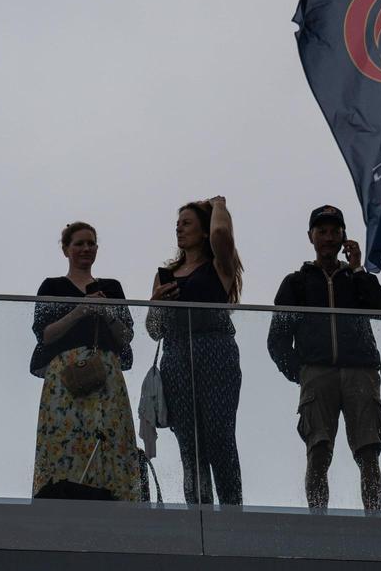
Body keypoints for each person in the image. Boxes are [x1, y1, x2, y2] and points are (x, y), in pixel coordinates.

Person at [268, 205, 381, 511]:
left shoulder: (354, 278)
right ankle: (318, 520)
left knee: (368, 450)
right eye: (321, 231)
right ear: (310, 236)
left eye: (334, 231)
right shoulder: (296, 282)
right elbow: (277, 338)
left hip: (360, 370)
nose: (328, 237)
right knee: (318, 449)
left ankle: (374, 521)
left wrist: (359, 268)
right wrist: (302, 372)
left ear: (343, 237)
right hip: (317, 372)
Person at [29, 222, 139, 500]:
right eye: (79, 243)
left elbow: (126, 336)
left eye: (91, 244)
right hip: (65, 376)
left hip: (106, 374)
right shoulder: (52, 286)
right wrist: (80, 310)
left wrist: (106, 312)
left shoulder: (112, 288)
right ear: (66, 249)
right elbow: (45, 333)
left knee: (110, 438)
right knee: (65, 440)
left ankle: (115, 499)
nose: (85, 249)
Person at [147, 196, 244, 505]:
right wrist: (157, 305)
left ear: (203, 230)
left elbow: (221, 236)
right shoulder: (164, 275)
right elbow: (153, 330)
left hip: (215, 353)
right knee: (190, 445)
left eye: (187, 223)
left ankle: (232, 515)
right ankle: (197, 517)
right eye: (177, 224)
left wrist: (218, 206)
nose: (179, 228)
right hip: (175, 358)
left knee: (219, 438)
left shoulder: (219, 266)